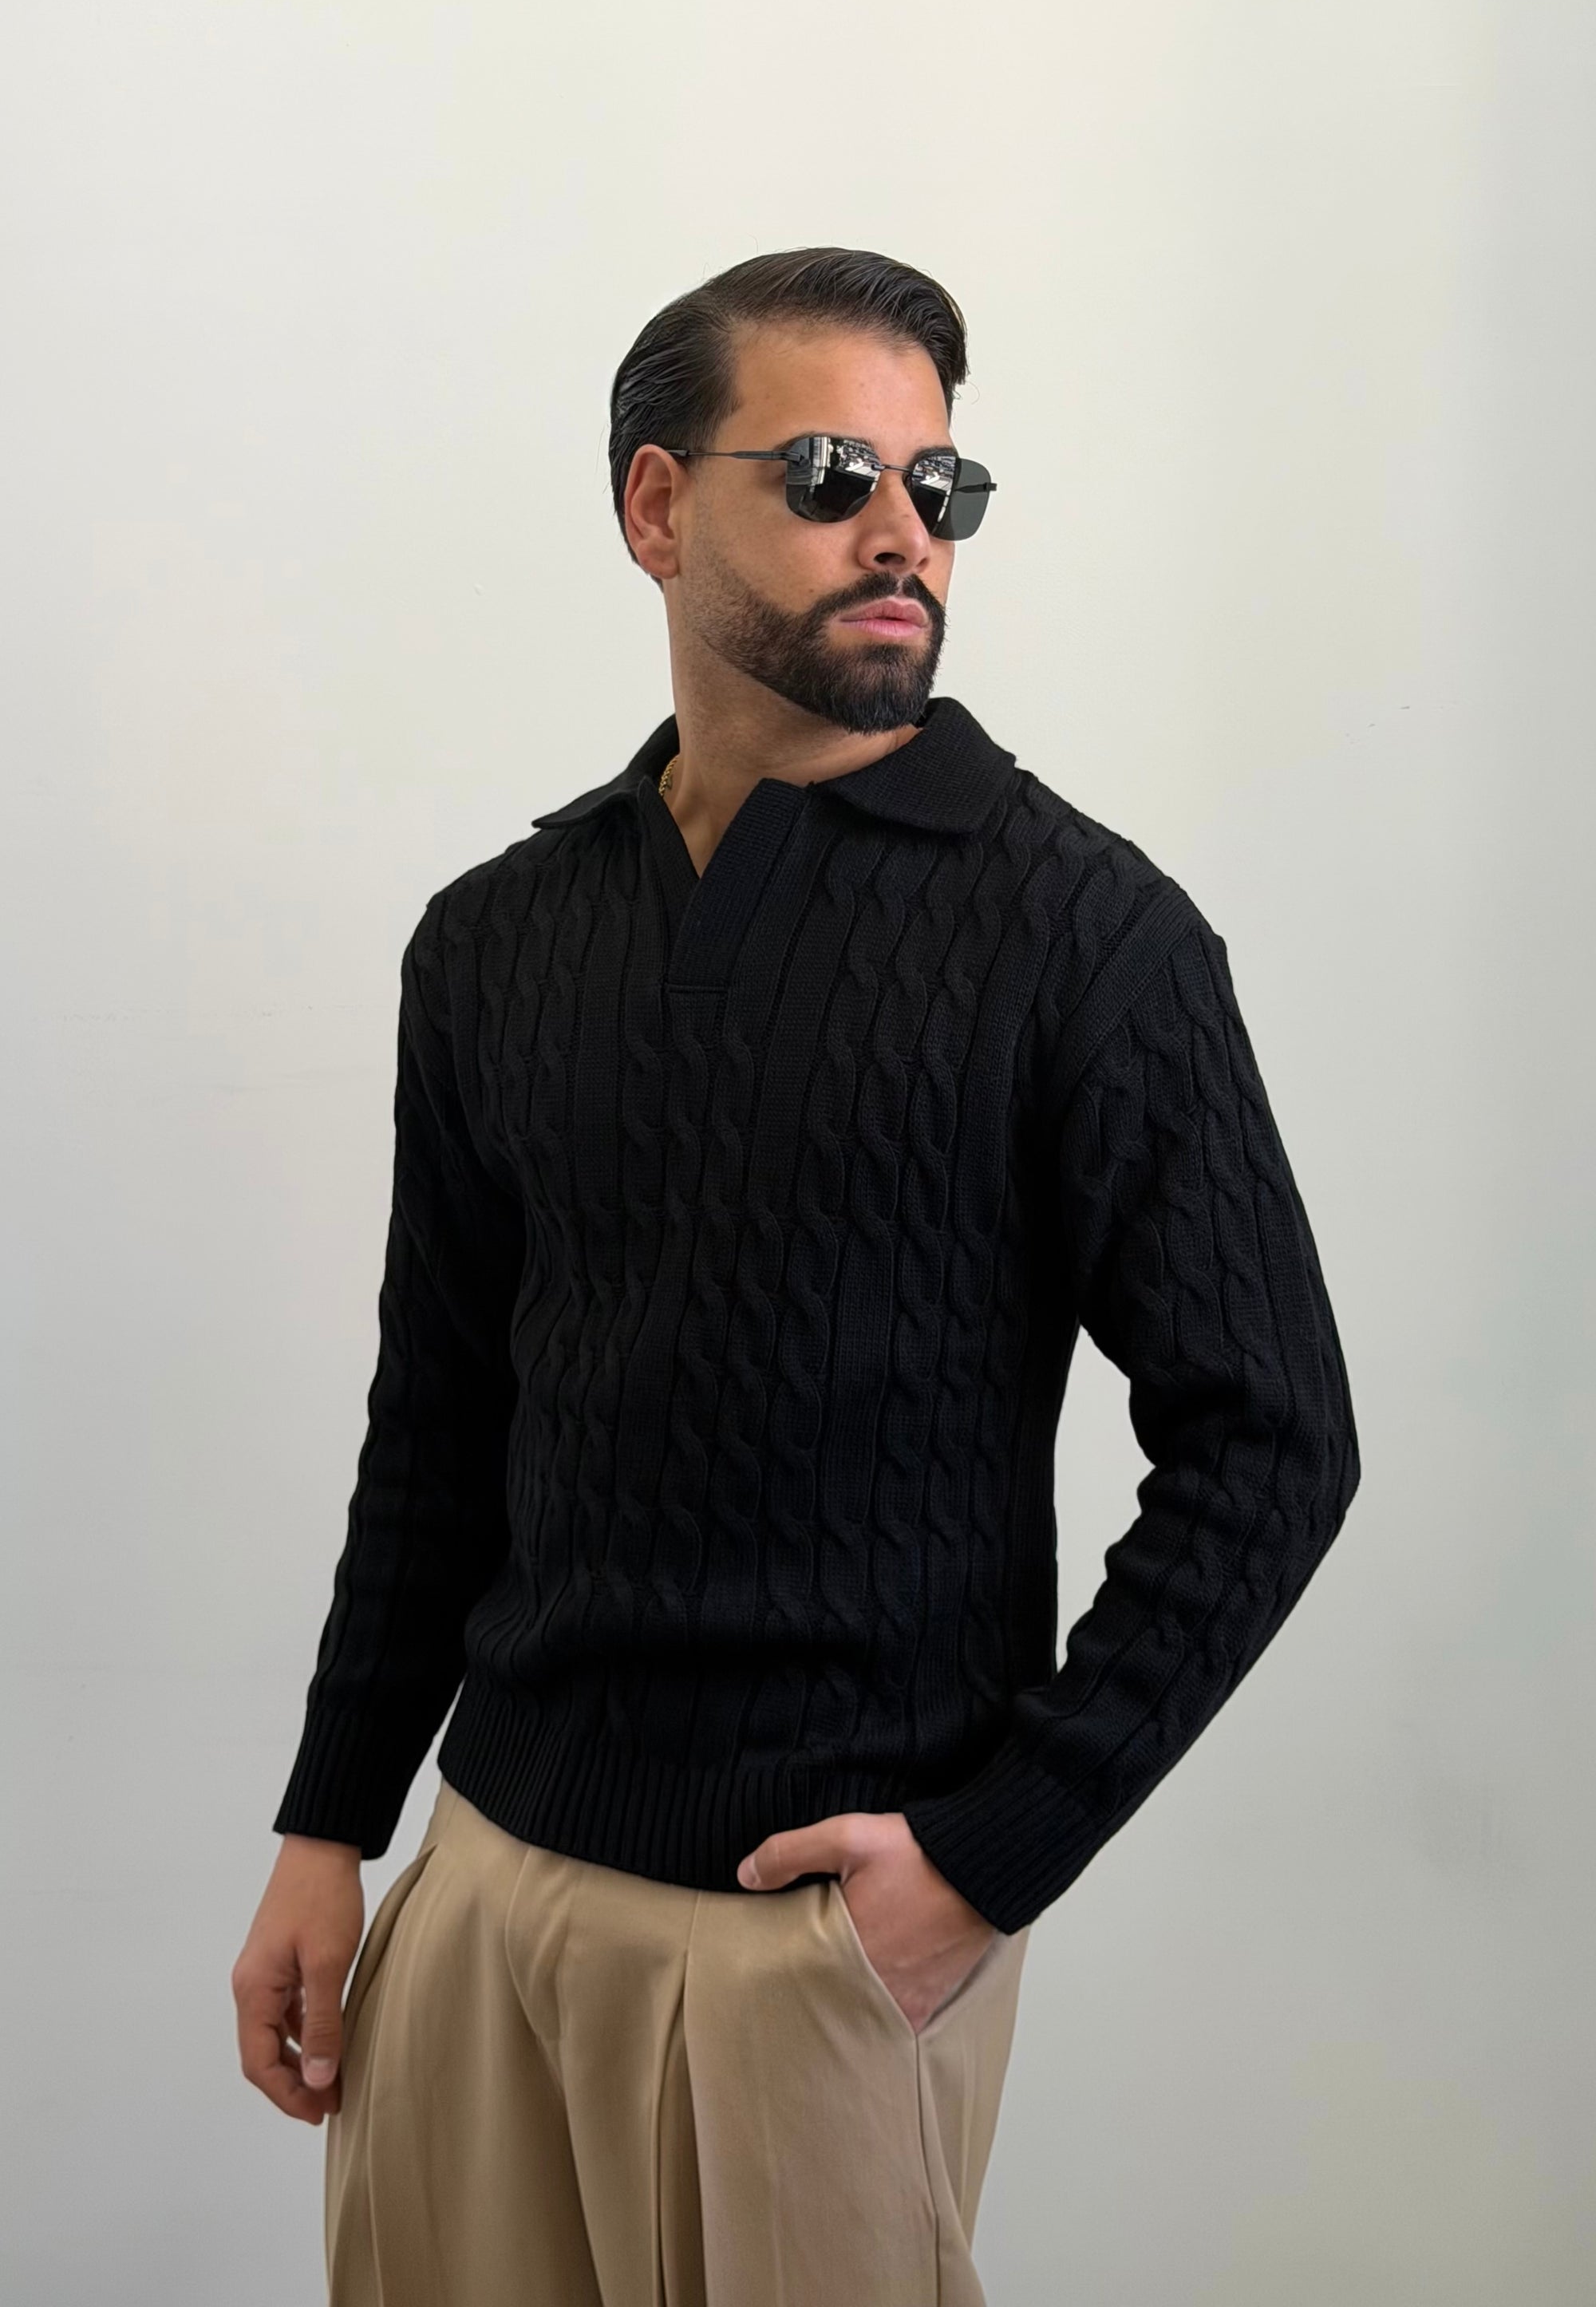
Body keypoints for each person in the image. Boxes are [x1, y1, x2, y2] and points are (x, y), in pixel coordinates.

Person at [232, 245, 1360, 2306]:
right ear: (658, 507)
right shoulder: (497, 939)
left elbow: (1276, 1442)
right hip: (480, 1888)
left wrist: (991, 1856)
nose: (904, 533)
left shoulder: (1089, 937)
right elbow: (441, 1424)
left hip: (814, 1944)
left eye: (943, 487)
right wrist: (333, 1822)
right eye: (835, 475)